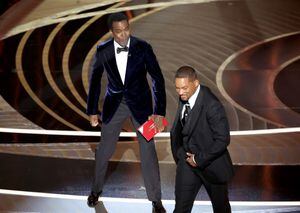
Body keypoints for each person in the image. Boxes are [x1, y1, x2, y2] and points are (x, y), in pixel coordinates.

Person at [86, 12, 166, 213]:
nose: (123, 35)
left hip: (142, 106)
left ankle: (156, 200)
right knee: (104, 151)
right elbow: (95, 81)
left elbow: (157, 79)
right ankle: (96, 190)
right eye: (119, 32)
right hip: (114, 106)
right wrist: (92, 110)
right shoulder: (103, 50)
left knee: (148, 152)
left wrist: (159, 112)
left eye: (126, 30)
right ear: (112, 32)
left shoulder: (143, 47)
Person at [170, 66, 234, 213]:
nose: (180, 92)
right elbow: (182, 127)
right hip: (187, 163)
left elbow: (223, 139)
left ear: (196, 83)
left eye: (184, 88)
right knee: (180, 209)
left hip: (211, 165)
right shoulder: (185, 96)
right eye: (177, 88)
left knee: (221, 209)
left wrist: (199, 159)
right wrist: (180, 154)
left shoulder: (212, 105)